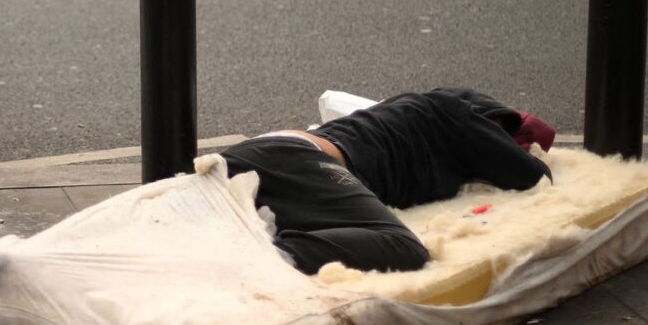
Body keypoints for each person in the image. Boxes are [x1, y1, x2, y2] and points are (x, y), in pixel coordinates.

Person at [220, 88, 554, 275]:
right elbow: (535, 177)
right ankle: (270, 257)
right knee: (404, 247)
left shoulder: (407, 110)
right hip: (302, 160)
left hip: (262, 155)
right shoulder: (456, 114)